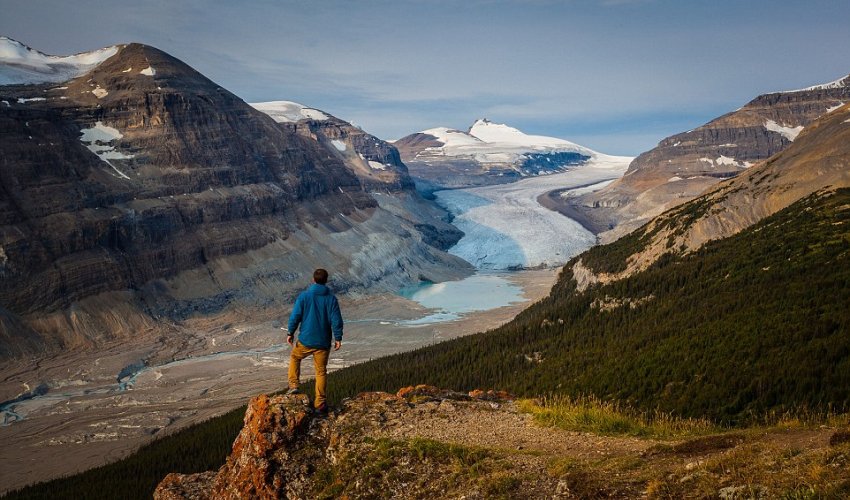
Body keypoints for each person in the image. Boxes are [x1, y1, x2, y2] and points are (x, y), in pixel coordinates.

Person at [285, 268, 343, 414]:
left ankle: (293, 386)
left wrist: (290, 332)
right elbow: (336, 320)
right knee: (321, 371)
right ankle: (320, 403)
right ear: (326, 280)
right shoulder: (331, 299)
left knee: (295, 357)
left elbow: (295, 316)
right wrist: (338, 338)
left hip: (305, 340)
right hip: (323, 343)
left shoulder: (304, 296)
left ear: (313, 280)